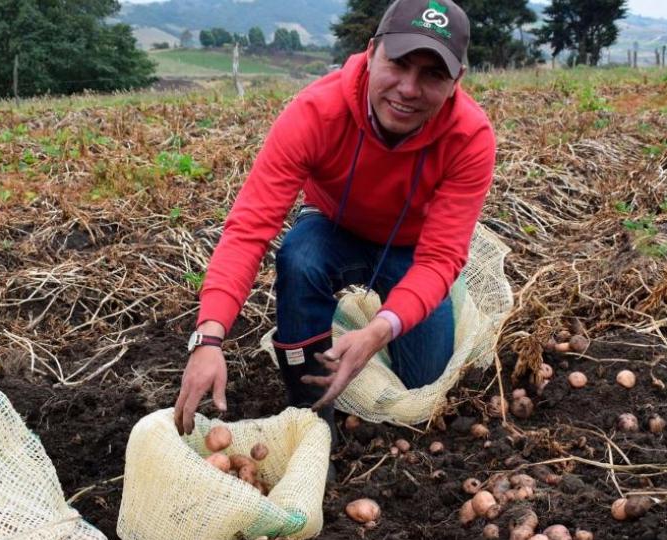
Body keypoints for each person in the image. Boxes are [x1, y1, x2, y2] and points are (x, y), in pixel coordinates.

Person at [174, 0, 496, 440]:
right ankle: (310, 416)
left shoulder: (470, 138)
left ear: (456, 81)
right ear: (370, 52)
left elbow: (439, 257)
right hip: (332, 227)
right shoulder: (315, 113)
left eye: (432, 75)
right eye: (398, 64)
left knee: (423, 382)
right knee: (300, 256)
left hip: (412, 248)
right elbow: (249, 229)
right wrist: (209, 338)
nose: (408, 88)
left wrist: (379, 332)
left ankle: (394, 315)